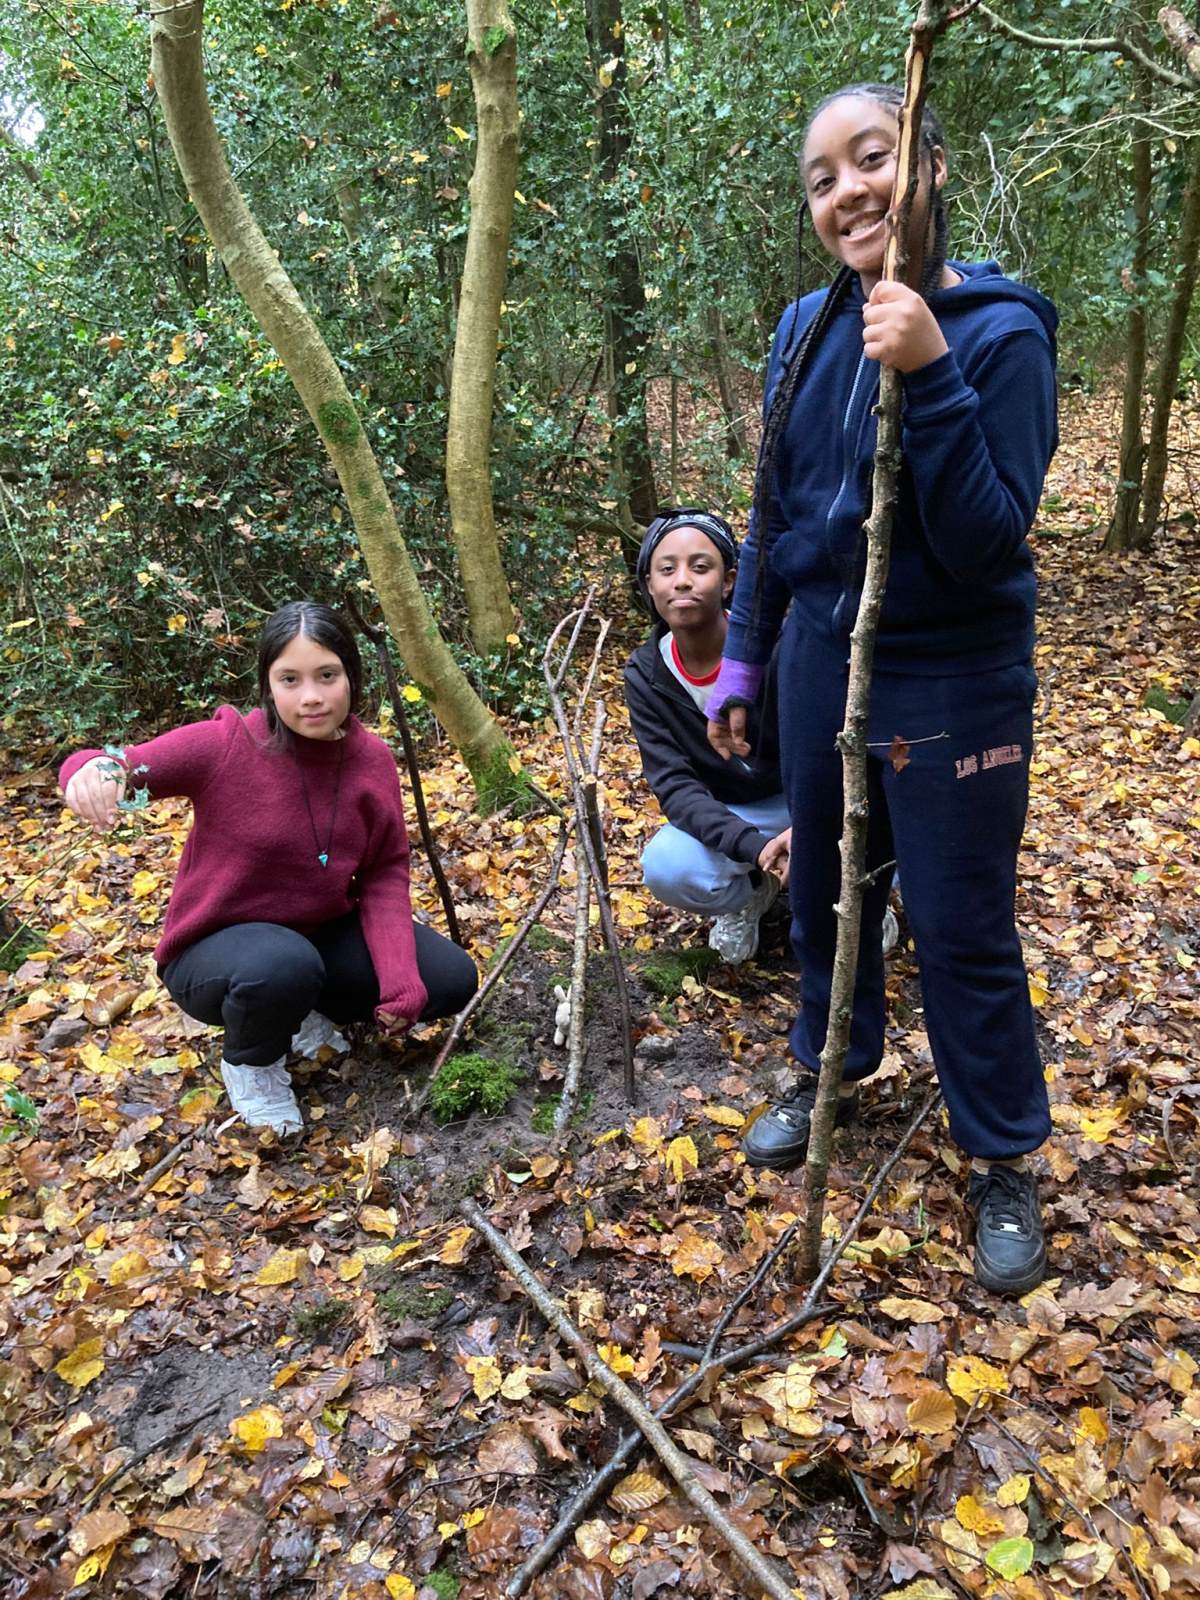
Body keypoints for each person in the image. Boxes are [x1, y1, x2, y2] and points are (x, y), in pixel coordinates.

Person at [706, 84, 1058, 1296]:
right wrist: (746, 657)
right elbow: (773, 506)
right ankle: (831, 1065)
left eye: (873, 158)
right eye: (824, 179)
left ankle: (1002, 1153)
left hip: (956, 674)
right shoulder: (805, 329)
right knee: (827, 889)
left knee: (959, 924)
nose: (850, 191)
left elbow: (987, 541)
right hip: (821, 657)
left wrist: (931, 367)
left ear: (931, 165)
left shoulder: (1002, 333)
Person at [59, 601, 477, 1138]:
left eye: (327, 675)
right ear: (268, 685)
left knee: (450, 980)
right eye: (290, 679)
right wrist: (91, 771)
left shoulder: (372, 760)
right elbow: (122, 764)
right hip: (213, 952)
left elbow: (383, 873)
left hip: (318, 939)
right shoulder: (229, 743)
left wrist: (400, 979)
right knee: (281, 965)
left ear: (351, 676)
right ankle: (252, 1064)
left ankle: (299, 1011)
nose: (311, 696)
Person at [624, 508, 790, 965]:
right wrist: (756, 848)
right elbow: (676, 787)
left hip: (804, 802)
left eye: (700, 567)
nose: (682, 581)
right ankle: (751, 895)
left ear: (729, 580)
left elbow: (829, 748)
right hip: (732, 812)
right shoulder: (646, 674)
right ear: (649, 585)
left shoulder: (778, 648)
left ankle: (857, 902)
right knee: (668, 866)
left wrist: (815, 823)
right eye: (667, 569)